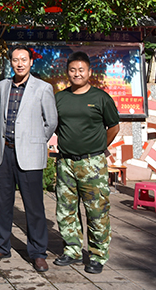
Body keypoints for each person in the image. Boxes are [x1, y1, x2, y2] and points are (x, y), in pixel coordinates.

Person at [0, 45, 58, 273]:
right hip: (4, 152)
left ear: (31, 62)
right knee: (3, 203)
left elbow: (51, 121)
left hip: (29, 154)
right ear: (11, 62)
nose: (19, 64)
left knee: (34, 206)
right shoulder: (2, 86)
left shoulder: (43, 88)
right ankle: (1, 246)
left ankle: (38, 252)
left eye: (24, 59)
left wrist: (36, 140)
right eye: (15, 60)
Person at [53, 51, 119, 274]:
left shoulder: (101, 98)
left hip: (92, 164)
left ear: (89, 72)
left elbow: (114, 127)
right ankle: (72, 250)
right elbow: (56, 126)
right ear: (67, 72)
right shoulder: (60, 98)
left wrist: (98, 147)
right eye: (72, 70)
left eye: (81, 70)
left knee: (96, 211)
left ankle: (98, 255)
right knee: (66, 209)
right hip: (65, 163)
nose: (77, 74)